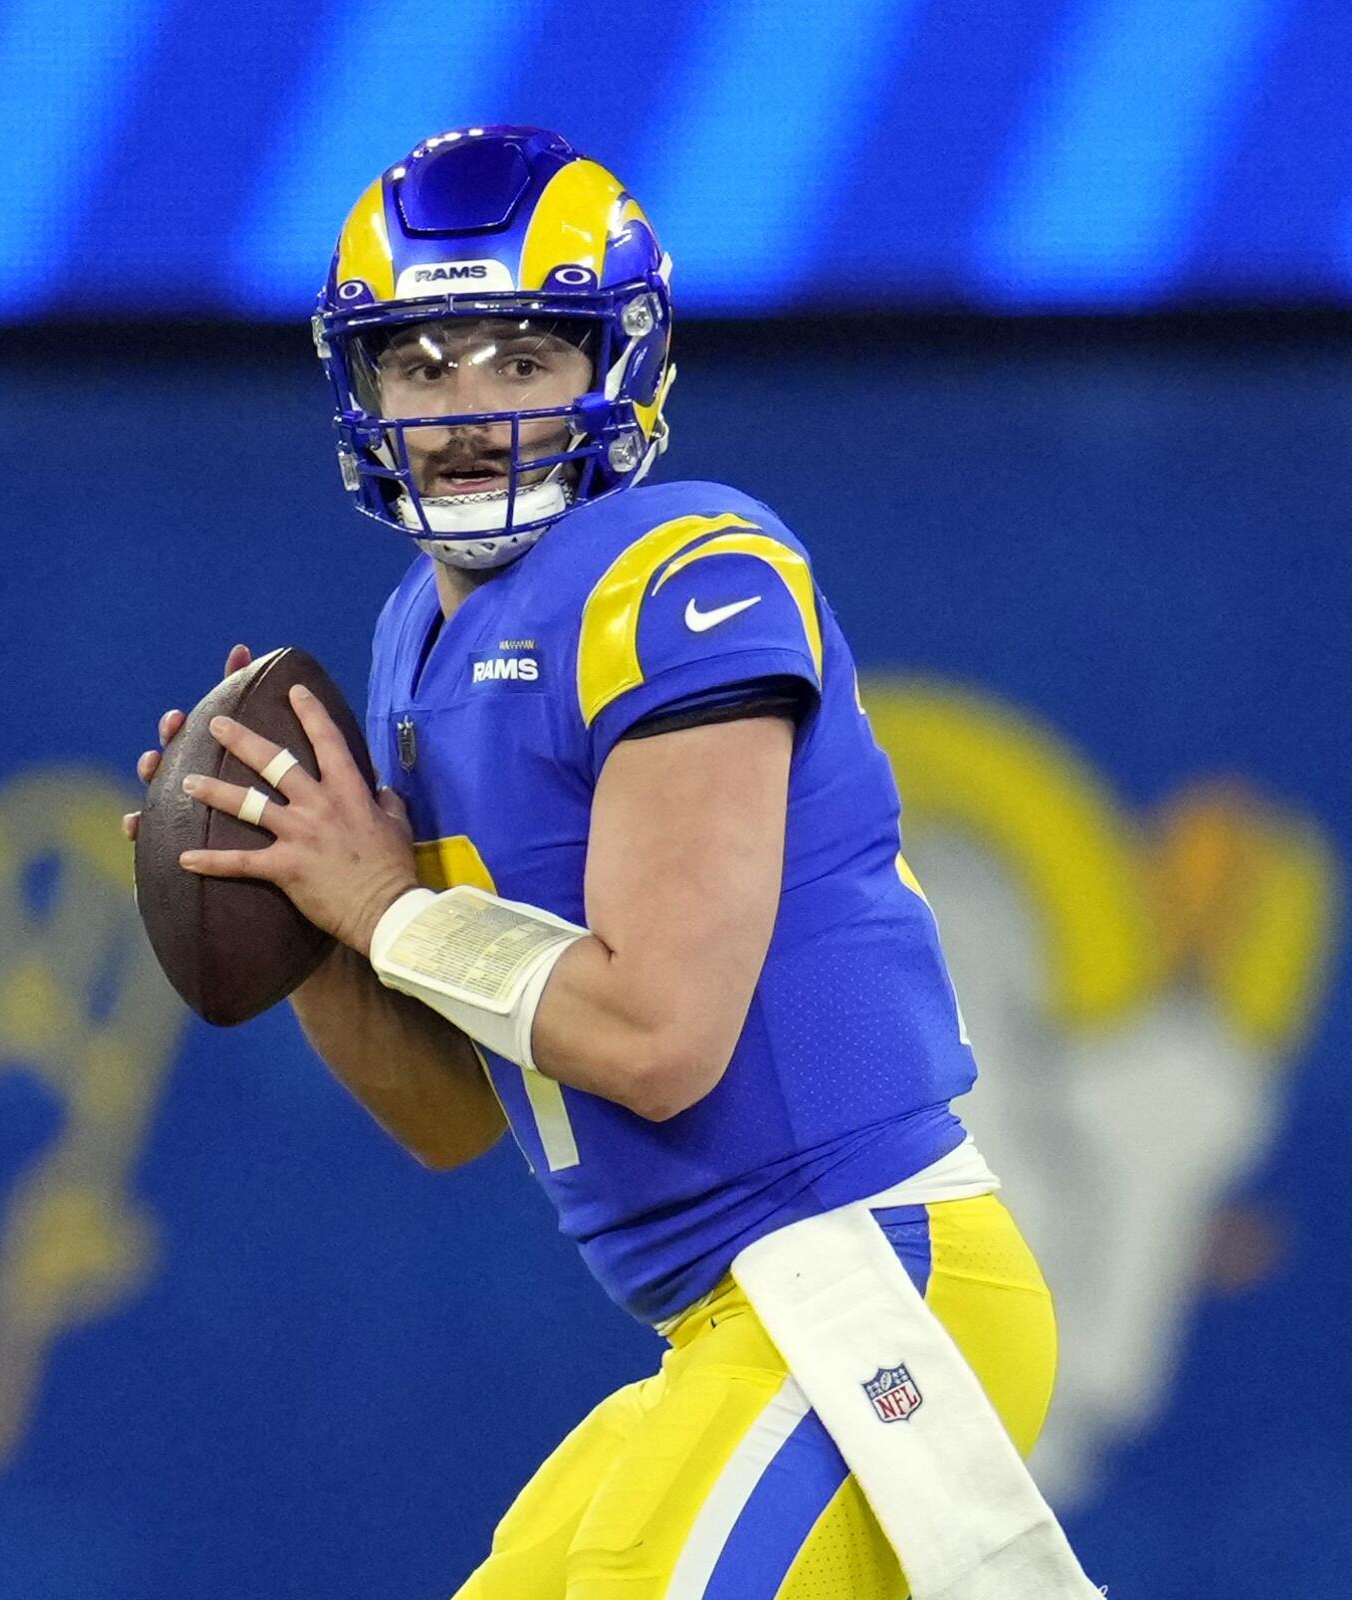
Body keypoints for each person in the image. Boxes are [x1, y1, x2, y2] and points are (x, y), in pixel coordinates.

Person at [124, 127, 1100, 1599]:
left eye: (519, 355)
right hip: (723, 1323)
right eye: (420, 361)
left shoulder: (684, 577)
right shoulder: (413, 638)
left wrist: (383, 903)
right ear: (361, 385)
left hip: (864, 1283)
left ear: (613, 370)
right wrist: (303, 913)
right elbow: (454, 1114)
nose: (462, 411)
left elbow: (657, 1039)